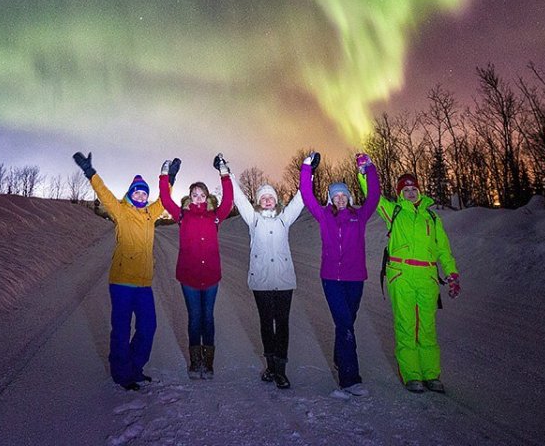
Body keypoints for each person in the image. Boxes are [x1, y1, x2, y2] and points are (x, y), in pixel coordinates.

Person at [73, 151, 166, 391]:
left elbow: (164, 201)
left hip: (144, 283)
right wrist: (90, 172)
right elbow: (103, 194)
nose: (141, 195)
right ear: (130, 194)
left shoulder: (150, 215)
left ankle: (136, 368)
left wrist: (170, 178)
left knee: (148, 327)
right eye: (137, 191)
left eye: (144, 192)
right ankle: (122, 374)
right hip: (122, 282)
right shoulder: (122, 212)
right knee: (122, 328)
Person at [366, 171, 460, 394]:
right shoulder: (394, 212)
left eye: (413, 189)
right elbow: (373, 195)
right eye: (405, 190)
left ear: (419, 191)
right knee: (406, 326)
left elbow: (443, 250)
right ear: (400, 193)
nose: (410, 193)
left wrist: (452, 273)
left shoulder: (432, 218)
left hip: (427, 278)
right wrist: (365, 171)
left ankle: (431, 374)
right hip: (402, 275)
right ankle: (412, 375)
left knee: (427, 328)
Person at [300, 151, 380, 398]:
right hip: (331, 279)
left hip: (356, 278)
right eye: (336, 196)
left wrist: (369, 169)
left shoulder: (360, 216)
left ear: (349, 197)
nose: (340, 199)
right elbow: (307, 196)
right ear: (330, 199)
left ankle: (339, 357)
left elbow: (375, 196)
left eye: (344, 195)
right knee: (345, 324)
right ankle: (350, 379)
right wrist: (306, 169)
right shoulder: (324, 217)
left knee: (347, 322)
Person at [158, 154, 234, 379]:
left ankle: (208, 362)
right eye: (194, 194)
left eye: (202, 194)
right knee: (194, 317)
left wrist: (224, 173)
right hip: (189, 278)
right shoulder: (181, 215)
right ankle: (195, 362)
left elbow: (228, 200)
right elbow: (164, 199)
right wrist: (165, 176)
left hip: (211, 277)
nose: (198, 197)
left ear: (207, 197)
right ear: (189, 197)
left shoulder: (216, 216)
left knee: (208, 317)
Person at [233, 167, 305, 389]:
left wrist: (308, 170)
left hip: (283, 281)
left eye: (270, 198)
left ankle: (281, 371)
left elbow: (301, 199)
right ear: (258, 202)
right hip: (261, 281)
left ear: (276, 201)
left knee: (282, 324)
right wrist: (227, 175)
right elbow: (240, 199)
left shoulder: (285, 219)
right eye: (263, 198)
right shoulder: (253, 220)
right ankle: (270, 367)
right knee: (266, 323)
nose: (266, 200)